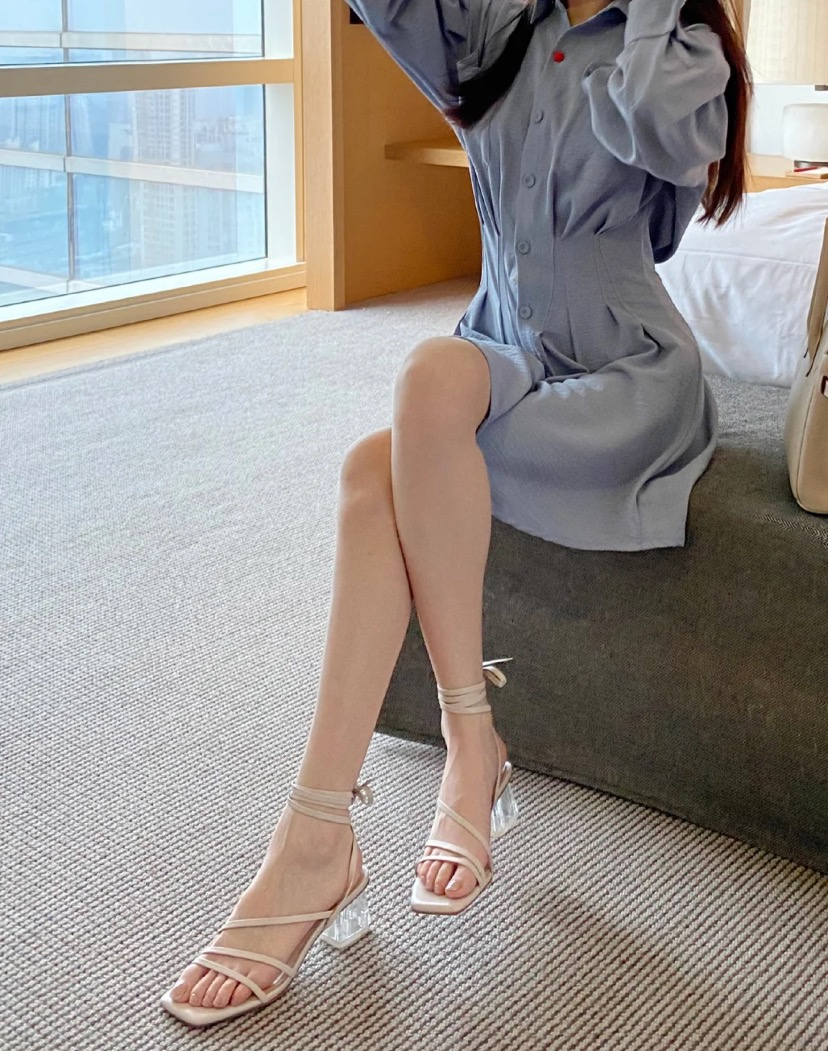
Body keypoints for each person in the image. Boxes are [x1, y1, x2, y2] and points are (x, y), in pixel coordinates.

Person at [161, 0, 752, 1027]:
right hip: (502, 349)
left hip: (623, 380)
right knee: (424, 378)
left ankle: (322, 837)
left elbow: (657, 129)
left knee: (376, 472)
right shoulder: (500, 29)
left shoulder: (683, 48)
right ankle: (451, 752)